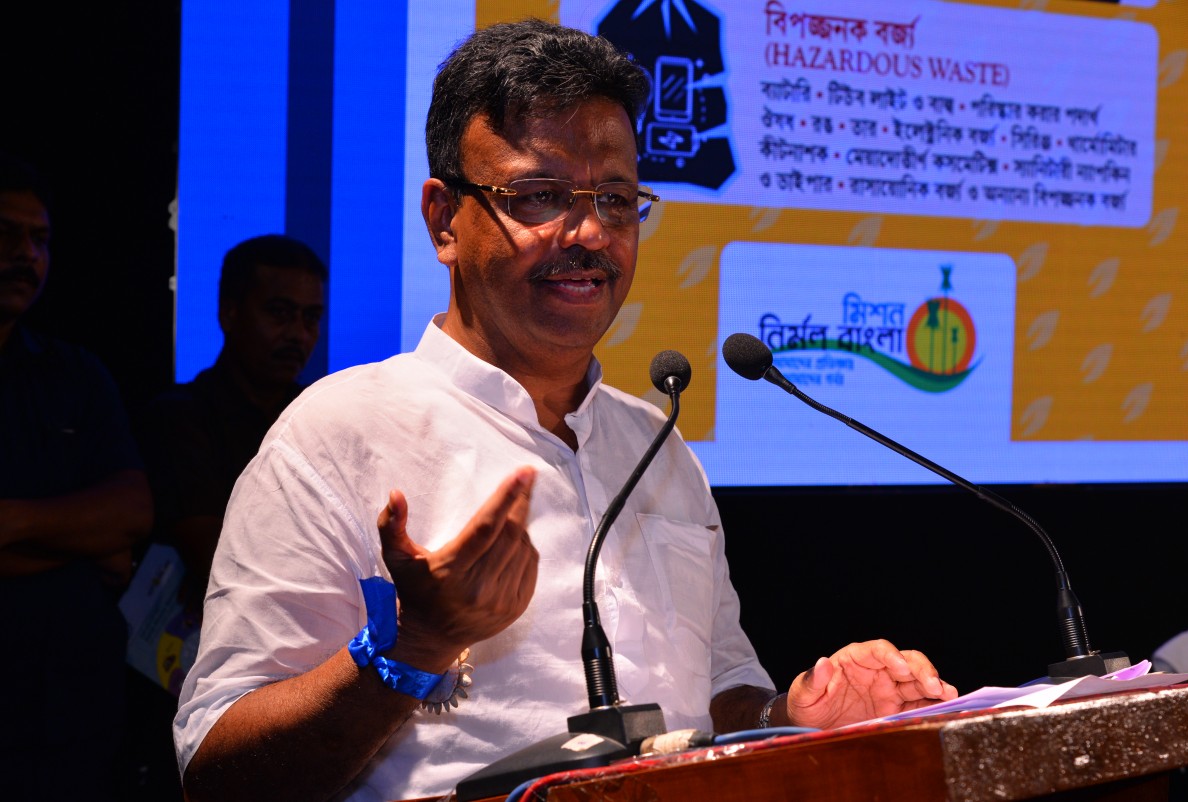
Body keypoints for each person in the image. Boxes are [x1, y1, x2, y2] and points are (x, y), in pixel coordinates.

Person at [174, 19, 958, 802]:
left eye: (615, 200)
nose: (589, 233)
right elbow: (215, 769)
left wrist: (792, 714)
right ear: (444, 221)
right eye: (539, 197)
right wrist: (413, 648)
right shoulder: (337, 434)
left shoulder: (657, 446)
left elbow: (718, 700)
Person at [0, 151, 154, 800]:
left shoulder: (75, 373)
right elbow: (106, 537)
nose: (26, 254)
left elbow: (132, 513)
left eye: (39, 239)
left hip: (69, 718)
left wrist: (12, 522)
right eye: (7, 234)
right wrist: (80, 544)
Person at [137, 233, 327, 610]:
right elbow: (216, 558)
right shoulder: (179, 417)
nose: (298, 334)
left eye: (310, 317)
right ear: (229, 313)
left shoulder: (321, 415)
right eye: (279, 312)